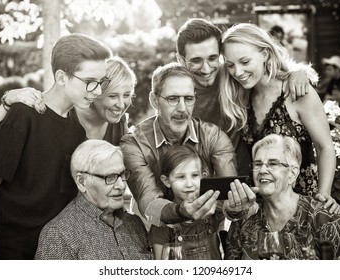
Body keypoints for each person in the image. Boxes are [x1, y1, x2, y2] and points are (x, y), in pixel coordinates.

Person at [0, 33, 112, 259]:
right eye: (90, 82)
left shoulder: (78, 132)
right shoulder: (22, 116)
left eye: (101, 82)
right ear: (62, 77)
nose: (97, 91)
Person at [219, 23, 340, 214]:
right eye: (231, 65)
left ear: (265, 54)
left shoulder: (297, 92)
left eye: (245, 61)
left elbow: (324, 147)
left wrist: (323, 196)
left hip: (300, 206)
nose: (238, 72)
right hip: (258, 210)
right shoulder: (240, 99)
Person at [120, 62, 255, 228]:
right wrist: (181, 211)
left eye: (189, 99)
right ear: (154, 101)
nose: (182, 108)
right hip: (153, 239)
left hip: (205, 237)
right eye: (173, 99)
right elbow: (148, 200)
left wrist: (236, 208)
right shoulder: (134, 143)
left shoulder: (214, 137)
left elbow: (229, 197)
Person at [176, 18, 313, 176]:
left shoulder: (232, 76)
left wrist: (296, 73)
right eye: (196, 60)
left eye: (213, 58)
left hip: (246, 182)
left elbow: (266, 71)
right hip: (195, 184)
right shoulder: (175, 94)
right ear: (181, 60)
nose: (206, 69)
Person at [225, 134, 340, 260]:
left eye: (273, 164)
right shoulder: (244, 218)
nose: (262, 170)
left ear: (292, 173)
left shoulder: (320, 215)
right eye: (258, 164)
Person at [34, 139, 152, 260]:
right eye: (110, 177)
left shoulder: (134, 223)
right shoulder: (58, 235)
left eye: (122, 175)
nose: (121, 185)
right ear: (82, 182)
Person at [0, 56, 135, 146]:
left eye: (127, 95)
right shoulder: (64, 113)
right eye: (113, 96)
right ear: (96, 90)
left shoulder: (119, 124)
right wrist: (7, 102)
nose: (121, 104)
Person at [150, 145, 245, 260]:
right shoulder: (163, 224)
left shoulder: (212, 211)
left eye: (194, 175)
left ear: (203, 177)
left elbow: (233, 217)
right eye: (181, 177)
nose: (189, 184)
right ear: (166, 181)